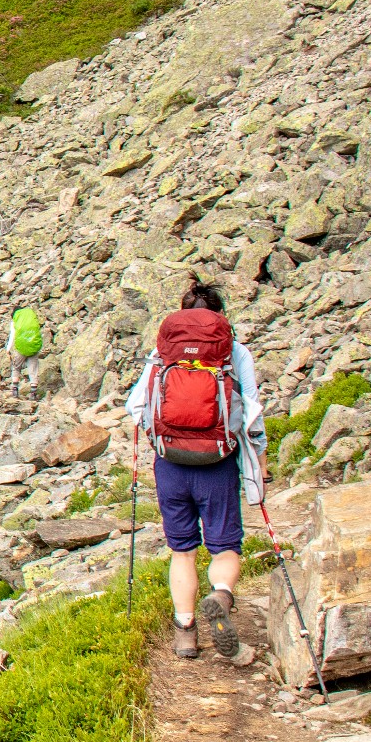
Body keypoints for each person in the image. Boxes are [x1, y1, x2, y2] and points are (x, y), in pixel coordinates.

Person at [124, 277, 266, 661]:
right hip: (217, 463)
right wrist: (260, 461)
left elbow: (136, 407)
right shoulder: (234, 352)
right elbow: (251, 415)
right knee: (225, 546)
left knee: (182, 551)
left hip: (170, 464)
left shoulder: (163, 353)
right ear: (220, 317)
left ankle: (185, 633)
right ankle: (220, 594)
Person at [6, 300, 44, 393]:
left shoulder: (16, 320)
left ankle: (15, 390)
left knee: (16, 367)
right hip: (33, 345)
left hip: (21, 347)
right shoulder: (29, 317)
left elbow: (12, 335)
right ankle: (33, 393)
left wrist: (8, 349)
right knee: (33, 369)